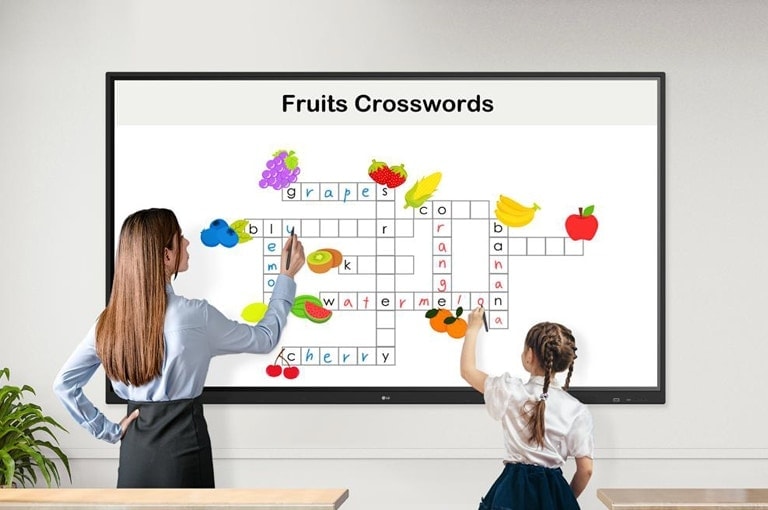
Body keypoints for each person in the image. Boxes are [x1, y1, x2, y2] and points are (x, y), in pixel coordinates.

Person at [53, 208, 305, 488]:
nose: (187, 243)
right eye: (180, 238)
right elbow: (265, 338)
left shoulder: (108, 323)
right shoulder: (196, 316)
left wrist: (108, 431)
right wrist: (286, 277)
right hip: (186, 450)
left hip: (135, 455)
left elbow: (64, 384)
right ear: (166, 255)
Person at [460, 307, 593, 510]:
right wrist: (563, 499)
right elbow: (586, 470)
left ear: (529, 355)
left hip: (512, 491)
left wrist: (473, 329)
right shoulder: (576, 410)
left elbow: (468, 371)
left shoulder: (510, 392)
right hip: (554, 491)